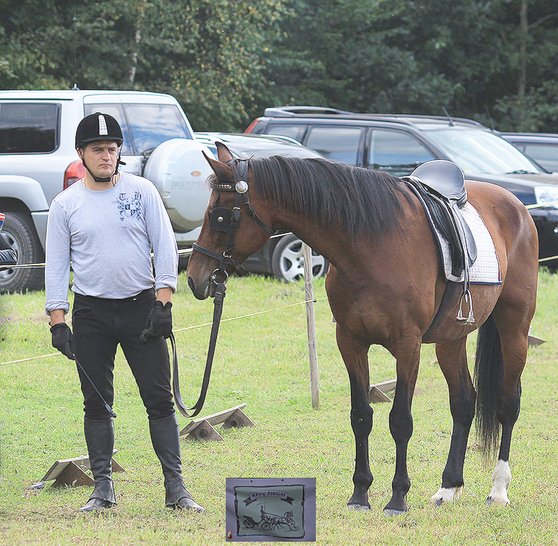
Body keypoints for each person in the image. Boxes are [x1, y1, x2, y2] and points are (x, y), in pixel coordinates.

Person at [45, 112, 204, 513]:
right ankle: (102, 488)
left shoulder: (143, 191)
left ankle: (176, 488)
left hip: (141, 310)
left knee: (159, 399)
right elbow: (56, 265)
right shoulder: (65, 204)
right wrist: (58, 321)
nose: (106, 156)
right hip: (91, 314)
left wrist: (164, 302)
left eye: (112, 149)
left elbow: (164, 246)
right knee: (96, 403)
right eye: (97, 150)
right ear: (81, 154)